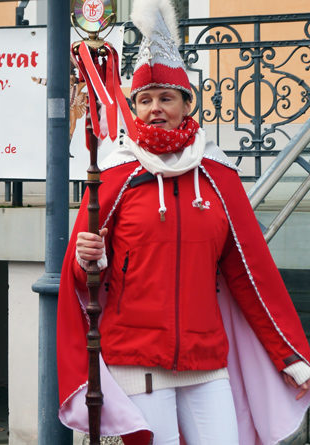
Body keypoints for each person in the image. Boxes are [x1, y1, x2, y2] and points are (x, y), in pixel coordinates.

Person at [57, 0, 310, 444]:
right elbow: (81, 275)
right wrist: (85, 258)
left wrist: (287, 353)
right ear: (134, 107)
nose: (156, 108)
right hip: (137, 359)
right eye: (146, 99)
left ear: (186, 104)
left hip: (207, 357)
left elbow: (250, 272)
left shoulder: (218, 176)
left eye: (166, 98)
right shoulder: (115, 174)